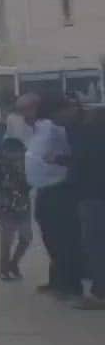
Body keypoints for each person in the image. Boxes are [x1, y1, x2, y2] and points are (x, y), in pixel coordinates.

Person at [25, 95, 82, 300]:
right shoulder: (39, 128)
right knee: (50, 237)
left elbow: (71, 152)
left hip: (59, 189)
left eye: (27, 109)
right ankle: (57, 279)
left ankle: (70, 284)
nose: (23, 114)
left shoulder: (55, 127)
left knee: (63, 238)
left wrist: (59, 162)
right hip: (43, 190)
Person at [67, 104, 105, 310]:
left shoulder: (89, 140)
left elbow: (78, 167)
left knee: (95, 246)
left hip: (92, 198)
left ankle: (100, 294)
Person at [0, 138, 33, 281]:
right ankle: (4, 269)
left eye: (20, 153)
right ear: (5, 153)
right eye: (14, 153)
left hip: (24, 207)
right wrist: (2, 198)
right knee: (6, 242)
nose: (18, 156)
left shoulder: (26, 167)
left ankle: (13, 263)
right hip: (6, 209)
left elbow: (30, 184)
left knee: (26, 238)